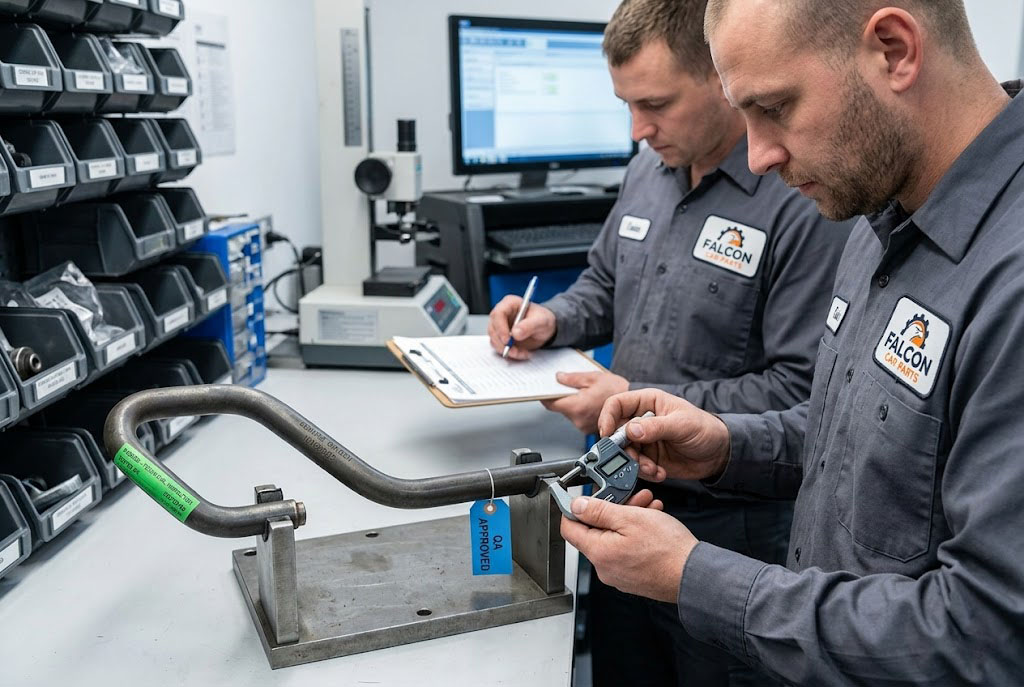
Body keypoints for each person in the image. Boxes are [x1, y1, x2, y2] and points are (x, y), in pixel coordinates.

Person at [561, 1, 1024, 684]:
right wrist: (726, 444)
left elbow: (983, 632)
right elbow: (857, 435)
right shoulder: (877, 217)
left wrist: (695, 575)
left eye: (774, 107)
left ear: (895, 49)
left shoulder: (1007, 277)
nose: (757, 155)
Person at [487, 1, 852, 684]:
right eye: (626, 104)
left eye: (654, 103)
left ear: (721, 78)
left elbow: (805, 391)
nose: (637, 128)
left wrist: (634, 399)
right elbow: (603, 281)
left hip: (731, 535)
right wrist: (554, 319)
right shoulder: (647, 170)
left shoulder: (802, 197)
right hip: (625, 503)